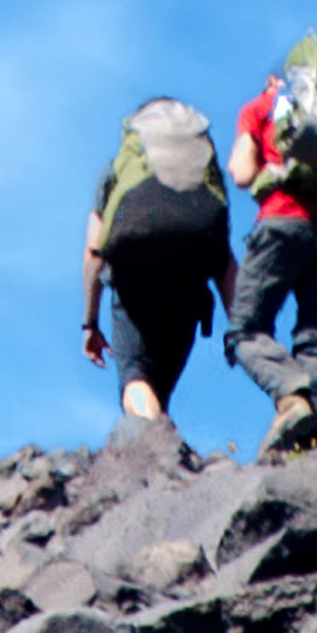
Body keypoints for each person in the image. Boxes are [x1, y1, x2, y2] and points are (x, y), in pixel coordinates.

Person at [227, 59, 317, 458]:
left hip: (280, 223)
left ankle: (293, 399)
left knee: (245, 332)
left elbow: (240, 174)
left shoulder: (261, 107)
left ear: (275, 81)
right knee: (314, 342)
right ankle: (309, 438)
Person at [81, 99, 235, 427]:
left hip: (133, 281)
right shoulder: (203, 178)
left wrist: (90, 323)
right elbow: (224, 261)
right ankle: (164, 447)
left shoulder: (116, 174)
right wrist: (241, 326)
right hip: (189, 288)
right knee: (158, 389)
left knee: (135, 377)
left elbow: (94, 252)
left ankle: (161, 442)